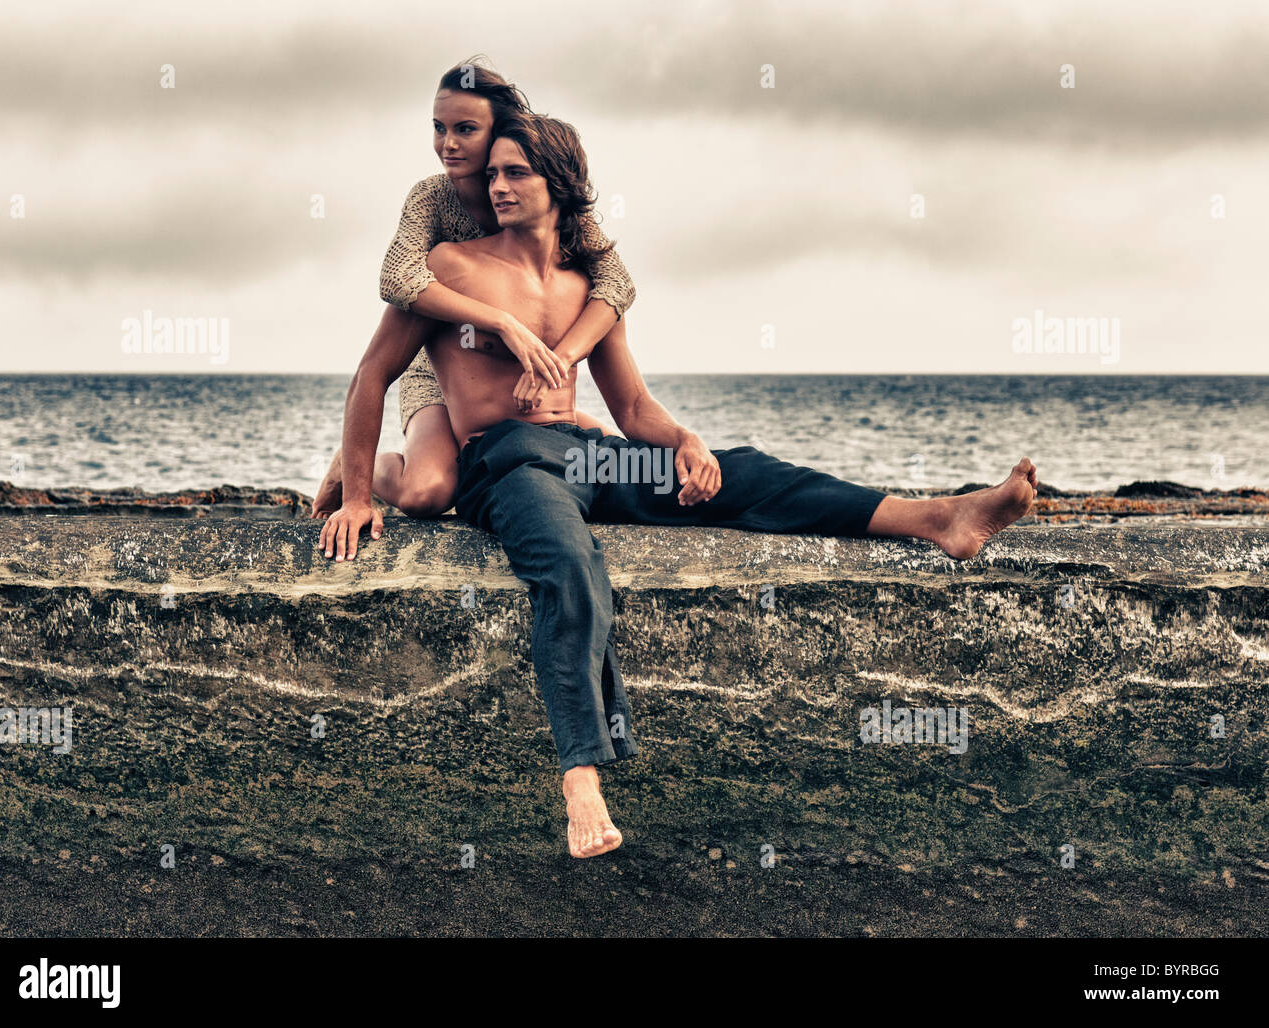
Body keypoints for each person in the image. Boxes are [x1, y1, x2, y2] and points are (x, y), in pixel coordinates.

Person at [318, 113, 1039, 860]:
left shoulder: (584, 285)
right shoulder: (452, 268)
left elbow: (630, 408)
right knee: (570, 567)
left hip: (591, 454)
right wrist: (360, 485)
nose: (494, 185)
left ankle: (941, 518)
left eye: (514, 173)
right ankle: (581, 779)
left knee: (748, 474)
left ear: (558, 184)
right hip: (510, 462)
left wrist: (687, 443)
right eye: (492, 173)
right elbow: (374, 372)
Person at [312, 56, 632, 520]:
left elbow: (617, 282)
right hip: (438, 366)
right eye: (439, 128)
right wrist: (500, 320)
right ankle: (354, 464)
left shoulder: (544, 195)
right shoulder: (433, 196)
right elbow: (397, 277)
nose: (448, 144)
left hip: (517, 374)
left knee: (605, 469)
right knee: (430, 493)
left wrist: (559, 359)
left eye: (465, 129)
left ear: (500, 131)